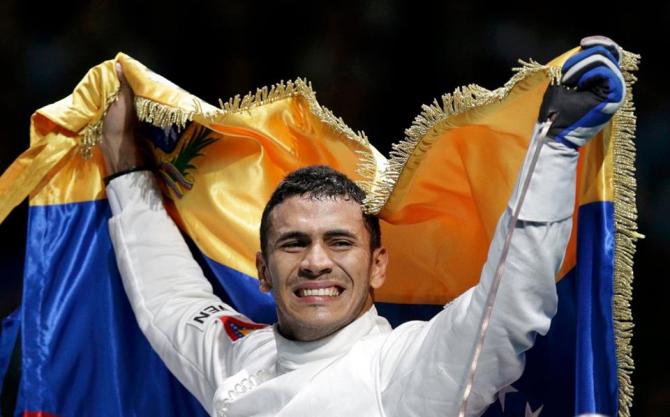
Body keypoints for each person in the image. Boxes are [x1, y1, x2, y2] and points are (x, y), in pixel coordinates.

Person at [101, 36, 625, 417]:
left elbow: (508, 304)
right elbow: (170, 299)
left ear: (377, 265)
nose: (316, 262)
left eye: (339, 242)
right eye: (294, 243)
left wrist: (555, 149)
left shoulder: (400, 371)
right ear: (262, 270)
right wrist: (124, 167)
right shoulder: (240, 356)